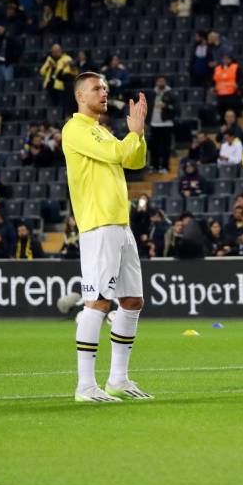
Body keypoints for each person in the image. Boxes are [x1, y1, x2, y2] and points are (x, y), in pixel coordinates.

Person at [61, 73, 152, 403]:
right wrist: (132, 135)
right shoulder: (76, 129)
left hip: (120, 223)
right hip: (98, 224)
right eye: (97, 88)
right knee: (97, 301)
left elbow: (133, 160)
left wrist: (137, 134)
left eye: (105, 89)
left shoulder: (101, 131)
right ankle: (85, 385)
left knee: (132, 301)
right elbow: (118, 154)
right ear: (80, 96)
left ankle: (118, 379)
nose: (104, 92)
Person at [149, 76, 176, 175]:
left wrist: (167, 106)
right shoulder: (153, 93)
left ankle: (165, 167)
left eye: (162, 81)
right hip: (154, 124)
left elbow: (176, 108)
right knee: (154, 147)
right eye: (159, 81)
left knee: (166, 147)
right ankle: (154, 166)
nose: (160, 82)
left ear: (165, 82)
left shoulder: (171, 94)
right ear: (156, 82)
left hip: (166, 124)